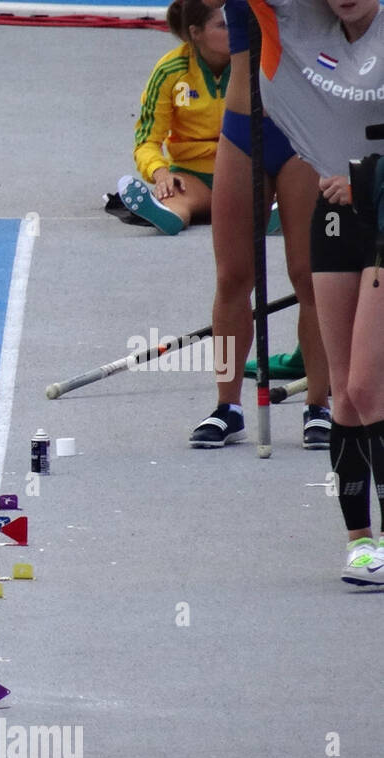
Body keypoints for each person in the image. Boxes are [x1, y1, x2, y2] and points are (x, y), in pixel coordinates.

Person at [236, 0, 384, 581]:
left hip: (379, 208)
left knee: (368, 387)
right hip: (335, 214)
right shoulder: (295, 27)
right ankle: (361, 542)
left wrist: (368, 179)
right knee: (345, 395)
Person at [188, 0, 331, 449]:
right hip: (241, 125)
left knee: (309, 275)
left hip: (303, 129)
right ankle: (227, 407)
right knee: (232, 276)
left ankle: (320, 405)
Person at [119, 0, 232, 233]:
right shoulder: (170, 71)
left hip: (243, 170)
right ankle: (167, 214)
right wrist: (160, 174)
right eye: (223, 26)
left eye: (236, 23)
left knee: (269, 191)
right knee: (176, 199)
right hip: (192, 176)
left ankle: (270, 209)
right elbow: (147, 141)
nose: (236, 30)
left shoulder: (255, 63)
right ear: (196, 33)